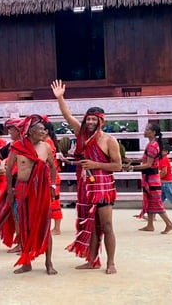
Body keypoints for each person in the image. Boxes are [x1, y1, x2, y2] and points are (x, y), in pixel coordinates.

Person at [52, 80, 121, 275]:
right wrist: (60, 97)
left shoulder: (109, 140)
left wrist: (96, 165)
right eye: (88, 119)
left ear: (101, 121)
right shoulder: (80, 133)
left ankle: (111, 262)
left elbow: (118, 165)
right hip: (85, 187)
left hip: (103, 187)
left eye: (94, 119)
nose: (90, 122)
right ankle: (92, 260)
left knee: (106, 226)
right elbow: (67, 115)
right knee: (88, 224)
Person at [6, 114, 57, 275]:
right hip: (22, 190)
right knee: (24, 226)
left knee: (45, 227)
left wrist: (53, 186)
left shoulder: (46, 147)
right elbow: (9, 169)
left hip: (41, 191)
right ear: (30, 131)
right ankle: (26, 262)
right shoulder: (17, 146)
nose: (44, 131)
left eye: (44, 129)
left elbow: (53, 167)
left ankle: (49, 263)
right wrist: (9, 190)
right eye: (40, 129)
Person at [130, 123, 172, 234]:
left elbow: (148, 164)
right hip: (150, 177)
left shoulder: (152, 145)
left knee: (155, 202)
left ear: (153, 132)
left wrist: (132, 168)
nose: (145, 131)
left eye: (147, 130)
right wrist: (130, 160)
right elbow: (145, 160)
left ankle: (169, 224)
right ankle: (150, 225)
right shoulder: (152, 144)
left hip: (151, 177)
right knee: (150, 201)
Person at [0, 118, 23, 252]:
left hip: (25, 186)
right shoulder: (12, 145)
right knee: (16, 215)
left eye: (12, 130)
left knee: (22, 216)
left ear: (19, 130)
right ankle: (21, 242)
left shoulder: (28, 145)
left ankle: (24, 243)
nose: (9, 132)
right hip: (14, 187)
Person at [44, 120, 63, 235]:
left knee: (54, 202)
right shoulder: (48, 142)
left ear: (46, 131)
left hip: (51, 177)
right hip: (50, 176)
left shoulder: (48, 143)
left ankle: (57, 228)